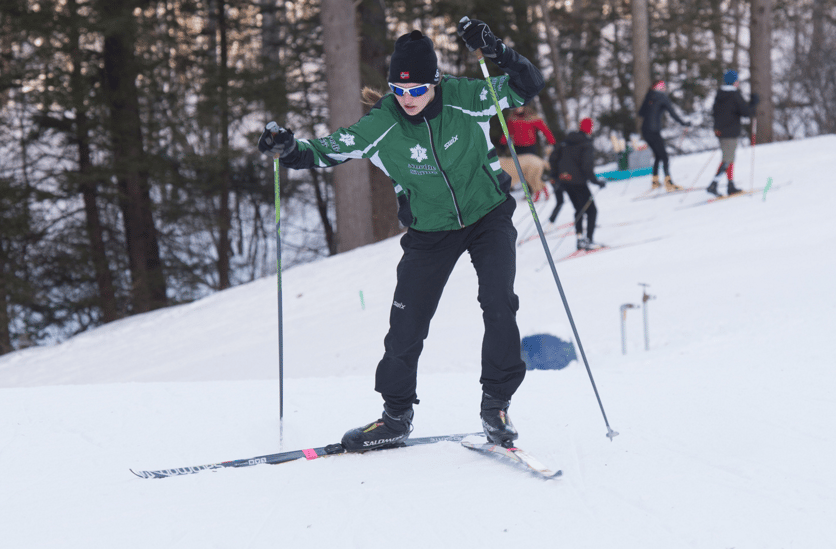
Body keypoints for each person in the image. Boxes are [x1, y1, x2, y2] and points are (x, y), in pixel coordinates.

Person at [257, 20, 545, 450]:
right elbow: (327, 149)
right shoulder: (383, 123)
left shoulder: (465, 96)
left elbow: (526, 85)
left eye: (416, 90)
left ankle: (495, 406)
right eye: (399, 90)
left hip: (488, 216)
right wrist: (288, 148)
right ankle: (395, 417)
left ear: (435, 83)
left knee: (499, 302)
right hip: (430, 232)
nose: (407, 99)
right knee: (406, 324)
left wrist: (494, 49)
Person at [548, 118, 606, 250]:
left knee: (579, 209)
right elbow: (587, 165)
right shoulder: (585, 143)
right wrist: (596, 181)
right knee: (592, 211)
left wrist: (556, 176)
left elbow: (553, 158)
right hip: (578, 182)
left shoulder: (565, 141)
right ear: (590, 129)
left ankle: (580, 239)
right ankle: (589, 240)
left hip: (565, 182)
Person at [708, 70, 760, 196]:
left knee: (730, 159)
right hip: (730, 132)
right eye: (737, 80)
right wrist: (754, 103)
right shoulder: (734, 95)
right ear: (734, 82)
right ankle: (713, 184)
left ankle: (730, 185)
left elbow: (715, 112)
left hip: (721, 131)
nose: (738, 83)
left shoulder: (720, 94)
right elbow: (746, 112)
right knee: (727, 159)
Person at [638, 80, 691, 191]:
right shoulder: (662, 97)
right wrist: (684, 123)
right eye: (663, 86)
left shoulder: (649, 96)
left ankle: (655, 181)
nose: (664, 88)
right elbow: (672, 113)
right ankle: (669, 183)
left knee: (658, 155)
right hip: (654, 131)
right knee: (664, 156)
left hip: (645, 130)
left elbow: (641, 113)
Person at [498, 105, 556, 201]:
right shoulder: (512, 119)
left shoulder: (533, 118)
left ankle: (534, 191)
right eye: (515, 107)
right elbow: (507, 132)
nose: (517, 108)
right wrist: (502, 143)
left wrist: (551, 142)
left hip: (530, 147)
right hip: (518, 148)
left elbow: (545, 130)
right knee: (520, 171)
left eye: (519, 106)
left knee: (530, 171)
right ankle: (529, 192)